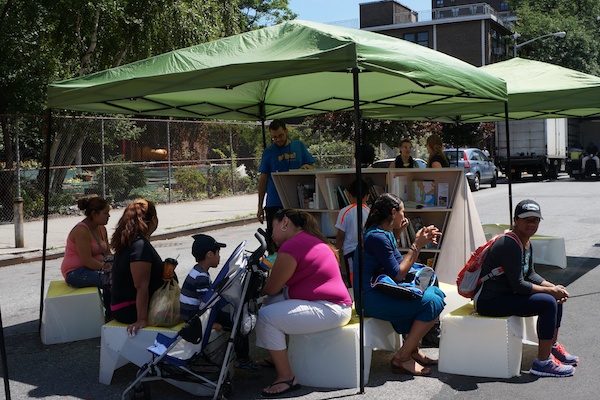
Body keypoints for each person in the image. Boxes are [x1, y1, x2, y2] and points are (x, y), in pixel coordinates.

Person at [475, 199, 579, 377]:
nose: (531, 224)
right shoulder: (510, 244)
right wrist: (550, 291)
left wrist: (554, 287)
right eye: (526, 219)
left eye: (535, 219)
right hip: (489, 301)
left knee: (556, 297)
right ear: (515, 220)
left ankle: (551, 347)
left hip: (507, 295)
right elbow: (519, 285)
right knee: (548, 302)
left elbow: (530, 274)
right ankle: (542, 363)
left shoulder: (525, 241)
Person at [256, 209, 352, 397]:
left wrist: (258, 291)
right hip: (332, 305)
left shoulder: (292, 246)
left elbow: (271, 288)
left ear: (284, 222)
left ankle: (286, 377)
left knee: (266, 317)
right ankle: (276, 355)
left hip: (330, 308)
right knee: (272, 303)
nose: (271, 234)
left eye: (272, 226)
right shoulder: (310, 239)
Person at [356, 193, 445, 376]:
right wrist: (416, 245)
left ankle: (412, 350)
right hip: (371, 298)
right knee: (431, 302)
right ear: (393, 212)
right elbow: (398, 274)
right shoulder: (377, 237)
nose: (404, 217)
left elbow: (396, 263)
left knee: (435, 293)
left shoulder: (382, 234)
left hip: (379, 293)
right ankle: (402, 357)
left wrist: (398, 235)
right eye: (402, 212)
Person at [179, 234, 258, 370]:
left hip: (192, 314)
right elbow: (206, 305)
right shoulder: (201, 277)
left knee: (231, 317)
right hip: (195, 319)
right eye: (218, 253)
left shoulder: (197, 271)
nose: (219, 257)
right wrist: (212, 324)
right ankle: (242, 360)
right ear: (210, 254)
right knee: (238, 322)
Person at [257, 119, 315, 253]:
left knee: (298, 239)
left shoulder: (298, 146)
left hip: (296, 203)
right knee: (275, 243)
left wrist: (308, 167)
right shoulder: (268, 152)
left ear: (286, 132)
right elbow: (263, 178)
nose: (278, 139)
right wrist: (259, 206)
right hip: (274, 203)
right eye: (274, 137)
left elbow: (312, 166)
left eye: (280, 135)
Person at [110, 199, 165, 336]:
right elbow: (141, 286)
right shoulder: (140, 246)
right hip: (129, 309)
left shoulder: (132, 241)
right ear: (154, 220)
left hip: (126, 305)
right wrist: (142, 319)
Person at [61, 196, 112, 320]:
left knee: (119, 275)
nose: (109, 216)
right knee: (109, 280)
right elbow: (87, 261)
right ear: (94, 214)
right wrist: (108, 268)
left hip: (95, 269)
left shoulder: (102, 228)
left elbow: (108, 254)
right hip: (75, 272)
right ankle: (111, 315)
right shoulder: (81, 230)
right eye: (106, 213)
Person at [335, 179, 370, 287]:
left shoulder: (345, 212)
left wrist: (336, 252)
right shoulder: (369, 212)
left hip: (350, 252)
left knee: (353, 279)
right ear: (367, 196)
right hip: (366, 251)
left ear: (349, 195)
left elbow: (340, 235)